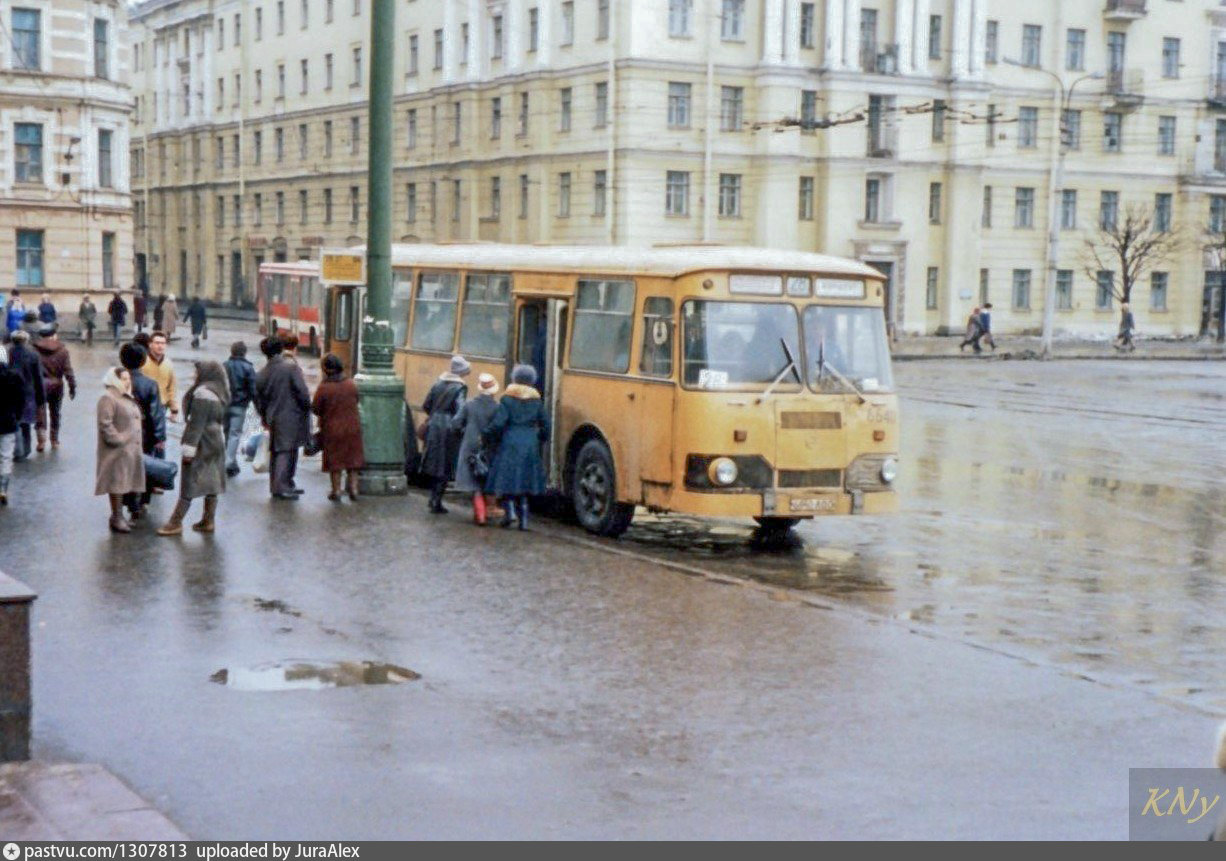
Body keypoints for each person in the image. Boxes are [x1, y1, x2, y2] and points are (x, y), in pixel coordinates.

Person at [157, 361, 228, 536]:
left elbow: (196, 424)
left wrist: (189, 449)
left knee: (189, 481)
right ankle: (208, 520)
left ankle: (175, 522)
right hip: (216, 439)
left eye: (197, 372)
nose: (194, 375)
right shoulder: (220, 391)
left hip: (202, 441)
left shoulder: (203, 394)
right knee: (212, 481)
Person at [483, 364, 551, 531]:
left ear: (515, 377)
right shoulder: (537, 401)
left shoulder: (507, 399)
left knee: (507, 480)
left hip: (510, 441)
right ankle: (524, 521)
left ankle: (509, 514)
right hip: (530, 443)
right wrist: (541, 438)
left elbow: (499, 423)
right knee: (525, 482)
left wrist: (488, 435)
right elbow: (546, 425)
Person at [254, 334, 311, 500]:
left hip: (273, 417)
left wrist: (264, 416)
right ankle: (281, 486)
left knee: (278, 450)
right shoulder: (290, 368)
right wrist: (306, 407)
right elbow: (302, 392)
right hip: (291, 415)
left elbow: (257, 399)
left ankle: (282, 484)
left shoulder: (262, 373)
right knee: (286, 451)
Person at [119, 342, 166, 521]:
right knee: (144, 465)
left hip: (122, 430)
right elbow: (156, 413)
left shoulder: (116, 383)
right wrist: (159, 436)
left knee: (124, 467)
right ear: (144, 360)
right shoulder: (150, 384)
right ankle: (141, 502)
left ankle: (127, 500)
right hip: (143, 433)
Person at [95, 367, 145, 533]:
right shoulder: (108, 397)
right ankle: (116, 517)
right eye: (123, 378)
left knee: (125, 481)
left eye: (128, 378)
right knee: (116, 482)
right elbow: (105, 423)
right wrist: (118, 439)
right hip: (117, 450)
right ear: (114, 379)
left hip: (130, 449)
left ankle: (119, 516)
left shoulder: (125, 395)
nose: (127, 381)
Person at [311, 353, 364, 502]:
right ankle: (354, 489)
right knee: (353, 460)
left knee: (335, 461)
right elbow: (357, 400)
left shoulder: (324, 388)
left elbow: (315, 408)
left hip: (333, 429)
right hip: (353, 427)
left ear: (326, 369)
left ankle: (337, 491)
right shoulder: (351, 384)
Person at [420, 355, 470, 513]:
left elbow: (426, 405)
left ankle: (432, 498)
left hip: (434, 425)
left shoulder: (438, 383)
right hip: (448, 428)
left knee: (435, 463)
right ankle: (436, 501)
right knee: (446, 465)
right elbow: (460, 409)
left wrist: (435, 415)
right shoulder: (460, 387)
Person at [452, 372, 501, 525]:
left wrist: (463, 432)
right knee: (485, 479)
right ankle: (485, 512)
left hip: (470, 445)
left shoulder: (469, 404)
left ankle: (480, 515)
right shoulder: (497, 407)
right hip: (489, 446)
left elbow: (455, 423)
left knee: (474, 483)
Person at [33, 323, 75, 451]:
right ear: (53, 336)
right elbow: (68, 371)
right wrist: (72, 386)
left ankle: (41, 440)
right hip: (57, 384)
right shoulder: (62, 350)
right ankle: (54, 439)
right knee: (55, 412)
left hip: (39, 385)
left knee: (40, 411)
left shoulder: (34, 350)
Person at [6, 331, 44, 461]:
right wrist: (41, 399)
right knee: (26, 423)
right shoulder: (33, 355)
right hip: (28, 393)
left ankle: (18, 450)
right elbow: (38, 378)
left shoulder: (8, 353)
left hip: (10, 391)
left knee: (15, 420)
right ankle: (25, 450)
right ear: (26, 341)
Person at [223, 341, 256, 477]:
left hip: (224, 404)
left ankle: (231, 461)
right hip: (240, 405)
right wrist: (259, 407)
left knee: (227, 432)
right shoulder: (248, 368)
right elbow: (253, 390)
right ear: (244, 352)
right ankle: (229, 462)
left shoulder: (224, 366)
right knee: (235, 434)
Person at [0, 347, 24, 506]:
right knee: (6, 456)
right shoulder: (14, 377)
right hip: (8, 422)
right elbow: (20, 401)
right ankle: (3, 488)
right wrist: (18, 417)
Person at [142, 331, 180, 421]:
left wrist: (174, 409)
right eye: (157, 343)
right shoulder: (142, 362)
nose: (160, 346)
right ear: (150, 345)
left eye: (163, 343)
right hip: (144, 405)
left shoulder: (168, 364)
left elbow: (171, 387)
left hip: (162, 406)